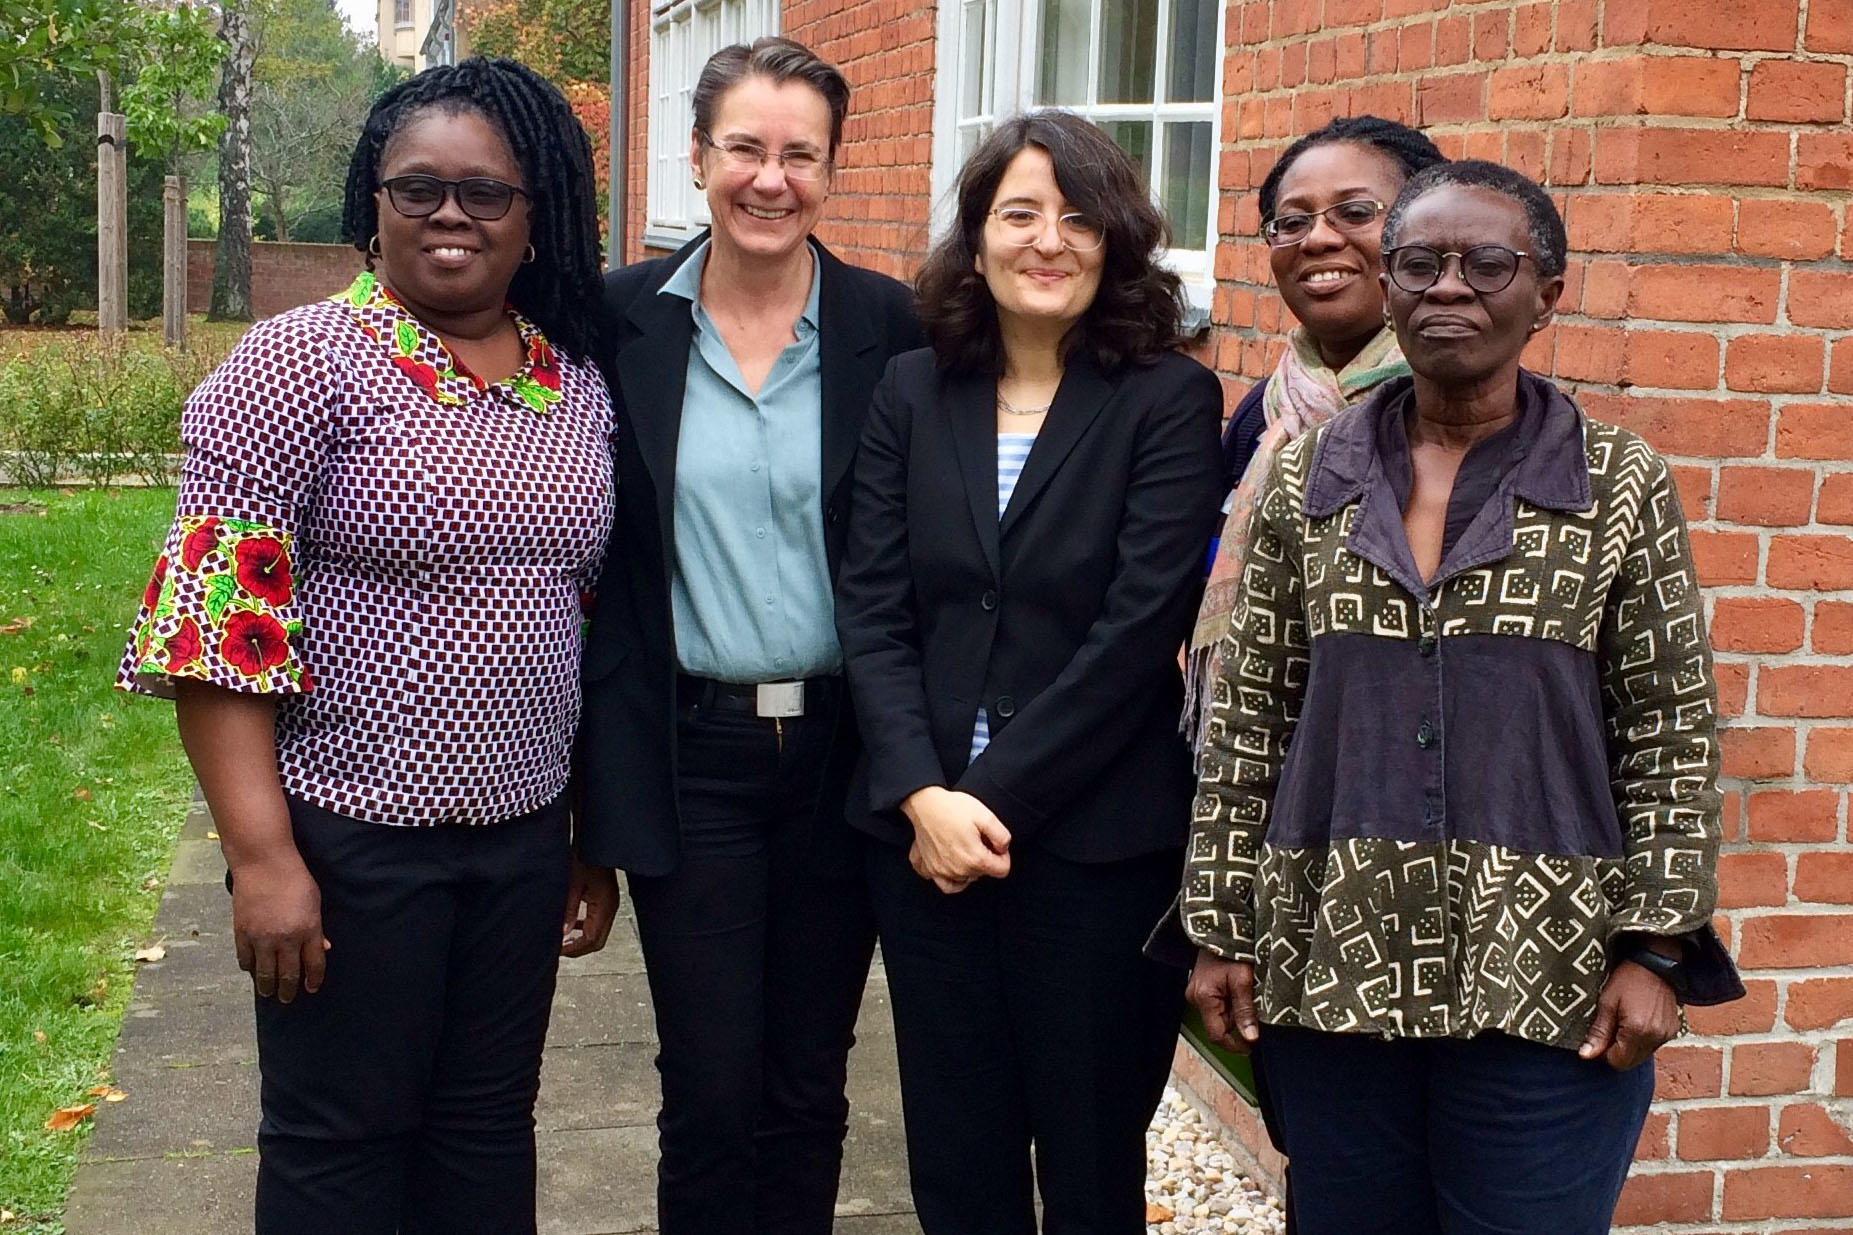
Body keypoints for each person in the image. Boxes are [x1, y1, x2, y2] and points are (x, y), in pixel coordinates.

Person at [1182, 160, 1743, 1235]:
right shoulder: (1308, 479)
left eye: (1487, 263)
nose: (1449, 287)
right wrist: (1221, 926)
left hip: (1547, 973)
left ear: (1547, 290)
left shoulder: (1614, 482)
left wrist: (1656, 946)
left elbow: (1666, 724)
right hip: (1330, 957)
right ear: (1387, 288)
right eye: (1418, 263)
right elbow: (1251, 714)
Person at [116, 58, 617, 1235]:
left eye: (486, 193)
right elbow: (214, 634)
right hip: (350, 836)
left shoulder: (571, 382)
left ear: (536, 211)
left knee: (489, 1124)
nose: (452, 215)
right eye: (418, 188)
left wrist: (588, 831)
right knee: (338, 1139)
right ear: (370, 202)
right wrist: (263, 859)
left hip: (519, 838)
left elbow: (589, 623)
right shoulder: (297, 366)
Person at [835, 110, 1225, 1233]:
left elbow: (1137, 627)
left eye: (1075, 216)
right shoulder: (912, 390)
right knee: (956, 1163)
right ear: (977, 234)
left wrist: (980, 803)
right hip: (921, 850)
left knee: (1092, 1164)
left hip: (1094, 850)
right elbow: (871, 602)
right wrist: (920, 794)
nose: (1045, 239)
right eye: (1018, 213)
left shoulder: (1165, 399)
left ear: (1113, 242)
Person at [573, 36, 922, 1235]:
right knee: (711, 1083)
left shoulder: (896, 331)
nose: (769, 179)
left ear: (831, 170)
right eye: (744, 149)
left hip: (843, 753)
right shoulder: (615, 323)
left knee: (807, 1080)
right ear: (697, 156)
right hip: (693, 752)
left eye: (798, 155)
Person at [1185, 116, 1446, 752]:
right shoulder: (1264, 416)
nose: (1319, 239)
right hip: (1257, 762)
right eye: (1292, 222)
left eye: (1355, 212)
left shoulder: (1456, 409)